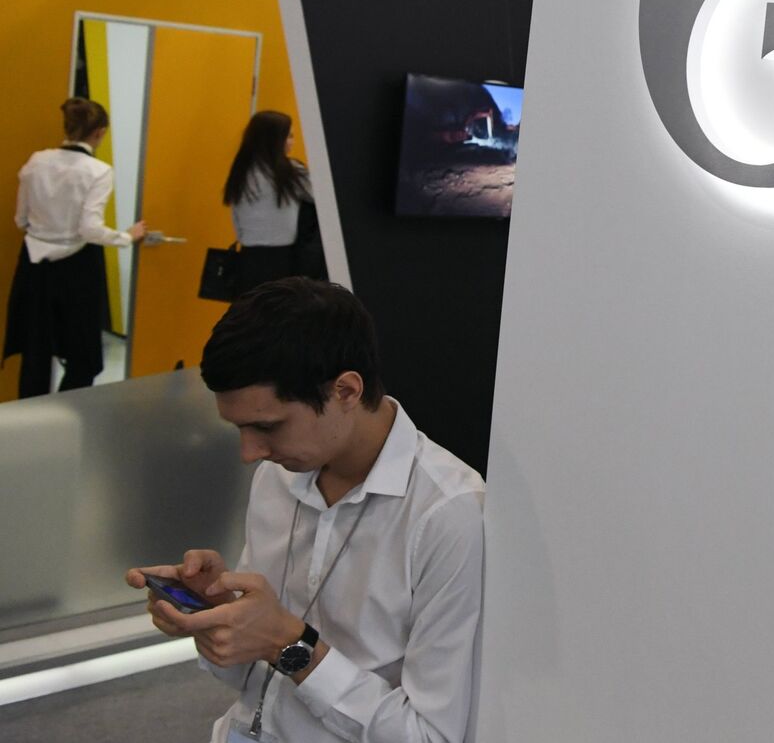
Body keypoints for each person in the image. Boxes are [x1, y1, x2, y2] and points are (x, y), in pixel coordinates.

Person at [124, 278, 484, 743]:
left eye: (267, 427)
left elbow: (429, 735)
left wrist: (289, 643)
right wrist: (222, 614)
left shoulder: (447, 515)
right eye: (238, 429)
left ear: (346, 391)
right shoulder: (278, 476)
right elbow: (246, 679)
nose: (249, 453)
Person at [4, 97, 146, 397]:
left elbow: (20, 219)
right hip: (76, 268)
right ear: (100, 132)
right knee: (84, 357)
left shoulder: (36, 161)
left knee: (35, 352)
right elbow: (89, 229)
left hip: (34, 265)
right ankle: (68, 411)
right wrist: (126, 237)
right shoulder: (98, 171)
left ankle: (30, 417)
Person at [222, 110, 325, 294]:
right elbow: (322, 199)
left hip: (248, 256)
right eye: (289, 136)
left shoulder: (241, 171)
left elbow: (236, 216)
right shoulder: (290, 171)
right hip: (283, 257)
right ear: (275, 139)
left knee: (253, 306)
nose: (292, 142)